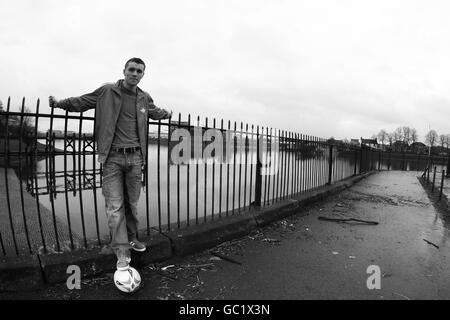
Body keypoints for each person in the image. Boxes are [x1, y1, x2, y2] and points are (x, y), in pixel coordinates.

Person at [49, 57, 172, 271]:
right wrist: (59, 103)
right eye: (131, 69)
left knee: (131, 205)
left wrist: (167, 113)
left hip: (135, 158)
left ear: (143, 74)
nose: (135, 73)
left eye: (139, 71)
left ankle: (132, 238)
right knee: (115, 207)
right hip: (113, 158)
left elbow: (154, 111)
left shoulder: (144, 97)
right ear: (124, 71)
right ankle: (122, 253)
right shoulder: (107, 91)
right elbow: (81, 102)